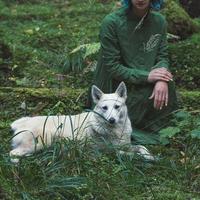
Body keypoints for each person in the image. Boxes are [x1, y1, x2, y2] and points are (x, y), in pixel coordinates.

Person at [89, 0, 178, 144]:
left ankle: (161, 131)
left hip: (147, 75)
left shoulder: (159, 21)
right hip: (116, 82)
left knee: (167, 86)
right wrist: (147, 76)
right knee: (135, 97)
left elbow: (162, 55)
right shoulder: (111, 22)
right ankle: (131, 132)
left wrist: (161, 78)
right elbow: (112, 66)